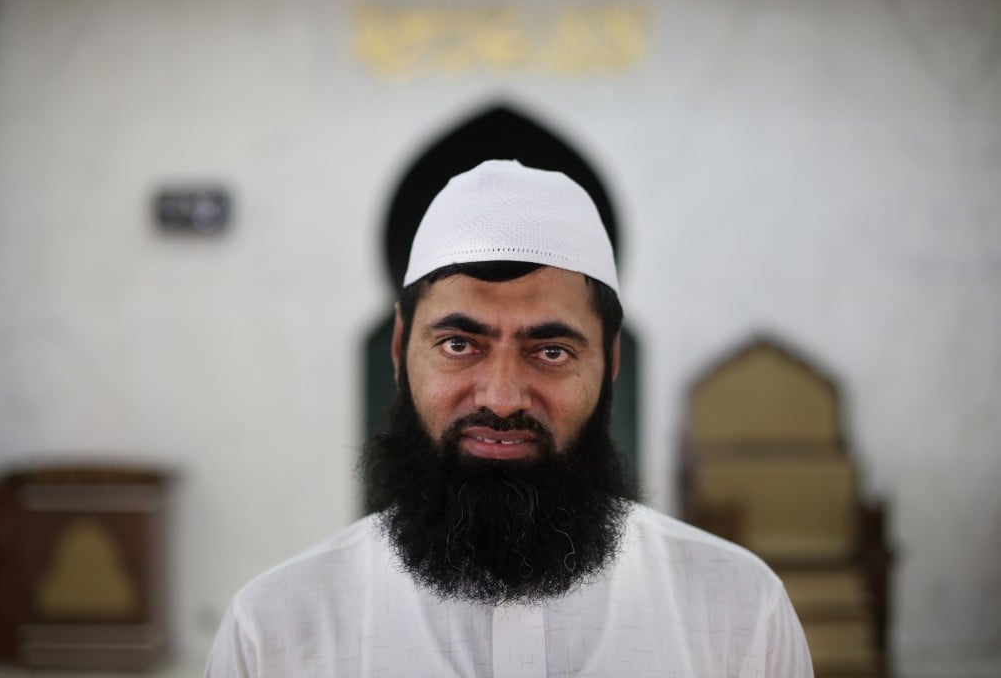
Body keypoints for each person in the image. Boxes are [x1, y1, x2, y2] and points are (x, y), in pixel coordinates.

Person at [206, 160, 813, 677]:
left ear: (612, 360)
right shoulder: (274, 633)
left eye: (550, 352)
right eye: (458, 345)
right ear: (399, 349)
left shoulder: (737, 613)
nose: (500, 398)